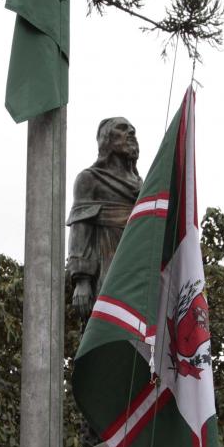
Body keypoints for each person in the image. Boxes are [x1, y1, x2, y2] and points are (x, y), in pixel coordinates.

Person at [67, 117, 142, 326]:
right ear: (106, 139)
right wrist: (81, 280)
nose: (131, 133)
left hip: (137, 266)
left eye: (133, 130)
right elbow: (80, 229)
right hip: (106, 265)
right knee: (108, 326)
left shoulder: (142, 186)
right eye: (123, 129)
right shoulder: (89, 179)